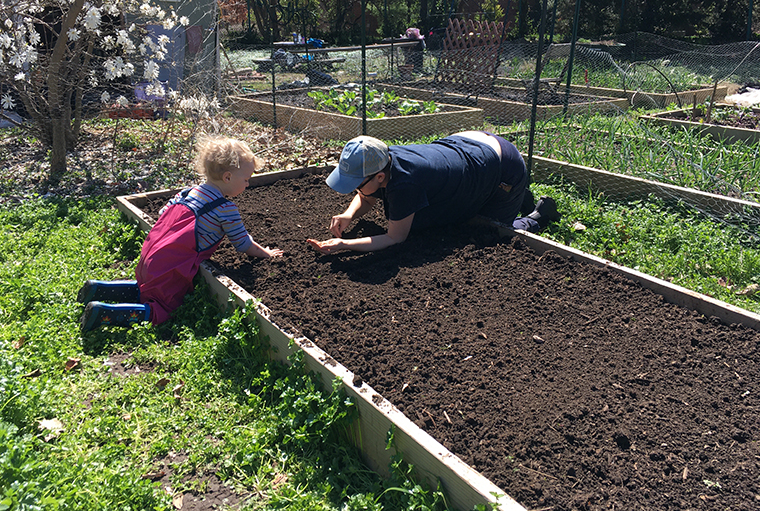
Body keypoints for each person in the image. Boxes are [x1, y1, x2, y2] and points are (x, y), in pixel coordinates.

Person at [78, 136, 283, 331]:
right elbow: (242, 243)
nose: (248, 184)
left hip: (152, 255)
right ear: (227, 177)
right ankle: (102, 313)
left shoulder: (188, 192)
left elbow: (162, 214)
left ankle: (98, 289)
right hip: (173, 266)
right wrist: (266, 253)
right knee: (164, 307)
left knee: (149, 288)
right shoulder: (225, 208)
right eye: (246, 180)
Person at [307, 132, 560, 255]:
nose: (355, 191)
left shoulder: (406, 183)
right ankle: (515, 196)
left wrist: (344, 245)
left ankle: (536, 215)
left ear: (380, 176)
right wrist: (349, 214)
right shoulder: (382, 157)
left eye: (356, 184)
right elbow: (367, 195)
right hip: (472, 144)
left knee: (489, 229)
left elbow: (395, 238)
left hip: (503, 165)